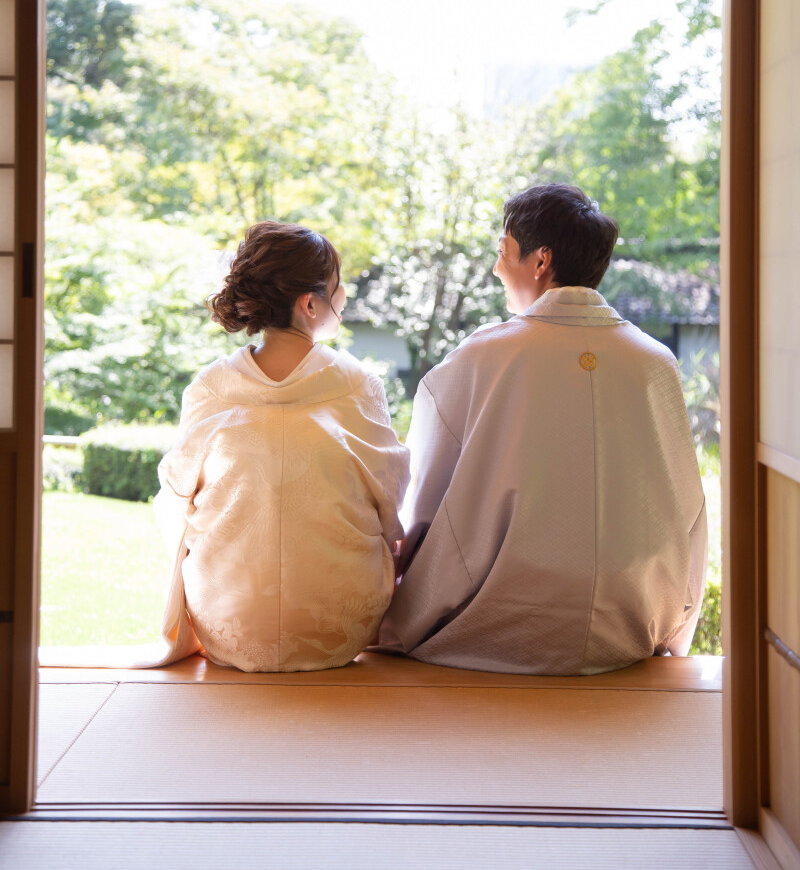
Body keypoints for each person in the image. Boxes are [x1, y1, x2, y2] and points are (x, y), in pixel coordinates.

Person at [379, 183, 707, 675]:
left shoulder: (482, 356)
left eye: (502, 252)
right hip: (629, 623)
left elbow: (424, 498)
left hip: (496, 622)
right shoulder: (655, 363)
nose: (496, 268)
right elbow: (689, 508)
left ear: (540, 261)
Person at [154, 221, 410, 672]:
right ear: (310, 303)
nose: (345, 295)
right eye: (338, 287)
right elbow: (389, 498)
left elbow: (175, 500)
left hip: (230, 621)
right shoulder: (356, 385)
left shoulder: (211, 387)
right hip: (337, 629)